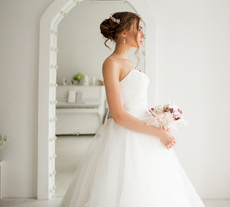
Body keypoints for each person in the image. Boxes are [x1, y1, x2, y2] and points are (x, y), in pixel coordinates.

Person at [59, 11, 205, 207]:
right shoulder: (111, 63)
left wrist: (160, 119)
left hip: (144, 131)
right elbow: (118, 115)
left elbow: (137, 102)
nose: (142, 34)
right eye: (138, 28)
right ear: (123, 33)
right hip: (125, 136)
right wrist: (158, 133)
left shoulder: (129, 63)